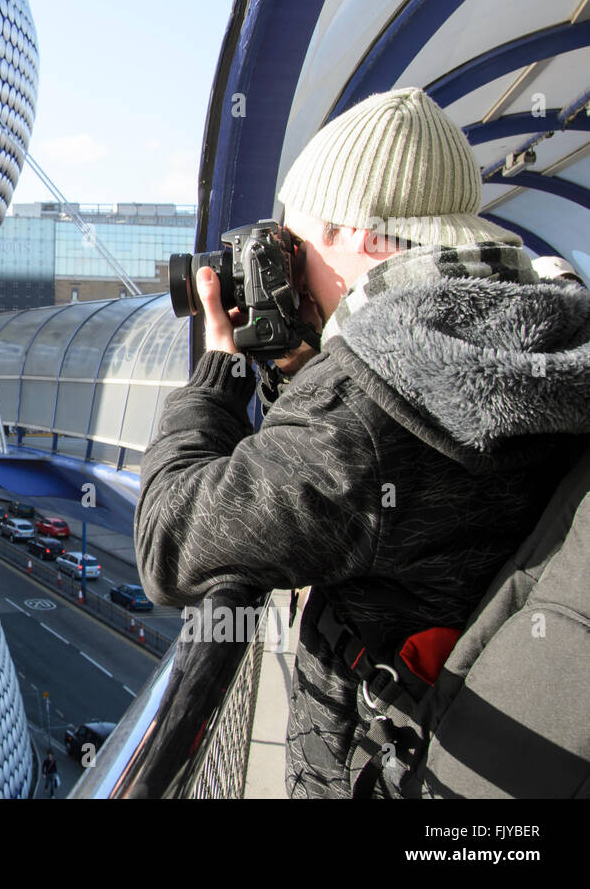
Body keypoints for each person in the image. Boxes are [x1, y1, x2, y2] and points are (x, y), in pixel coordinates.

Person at [134, 87, 590, 798]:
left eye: (301, 241)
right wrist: (306, 362)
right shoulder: (541, 320)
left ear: (368, 238)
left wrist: (218, 376)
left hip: (396, 772)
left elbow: (169, 539)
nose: (285, 264)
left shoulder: (370, 401)